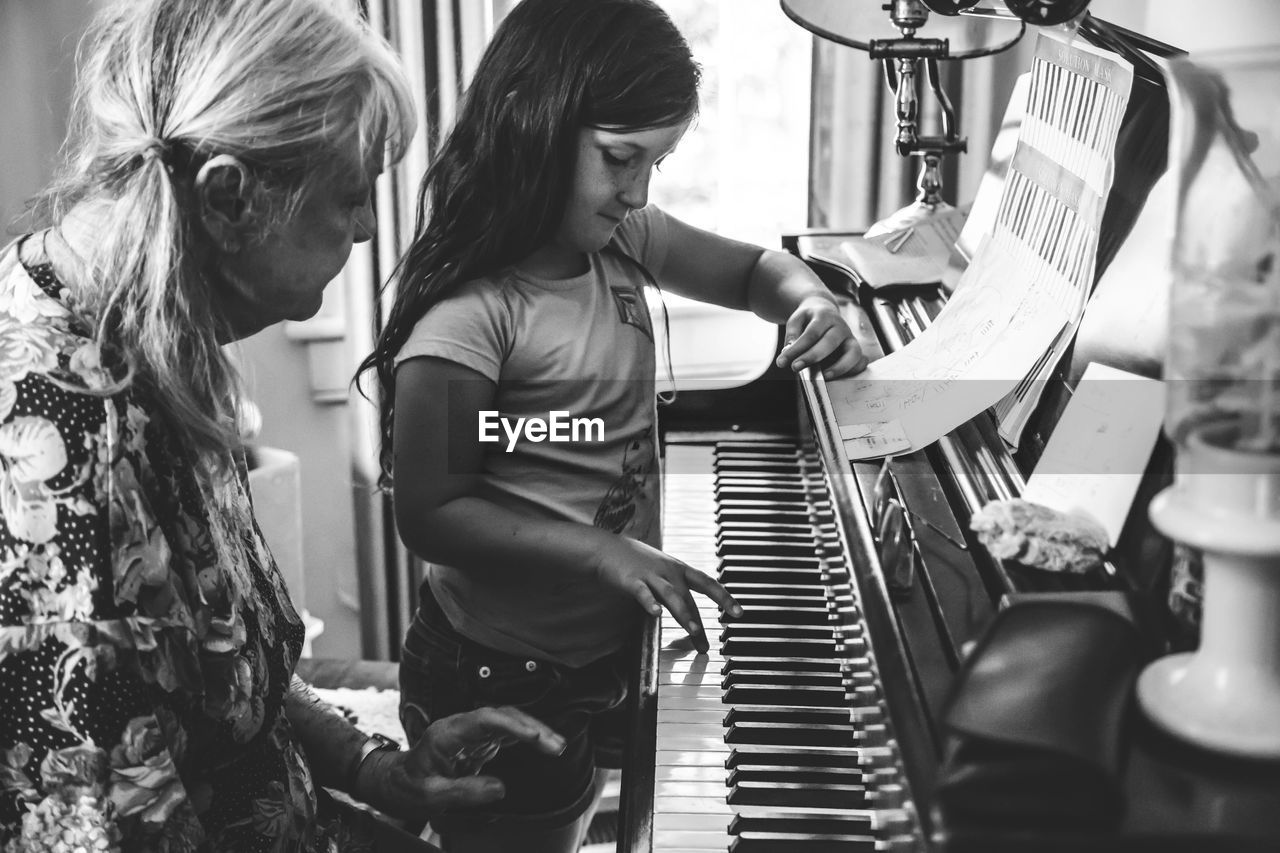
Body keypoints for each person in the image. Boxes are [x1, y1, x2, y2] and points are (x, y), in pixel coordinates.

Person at [0, 1, 568, 851]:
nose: (372, 225)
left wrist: (380, 770)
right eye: (352, 194)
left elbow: (225, 680)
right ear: (229, 195)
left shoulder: (153, 322)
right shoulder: (57, 452)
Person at [356, 1, 868, 850]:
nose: (637, 189)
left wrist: (811, 298)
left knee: (602, 816)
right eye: (620, 157)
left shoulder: (624, 238)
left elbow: (754, 271)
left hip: (601, 643)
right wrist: (606, 550)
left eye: (655, 162)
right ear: (533, 124)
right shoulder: (469, 315)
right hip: (502, 664)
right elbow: (431, 512)